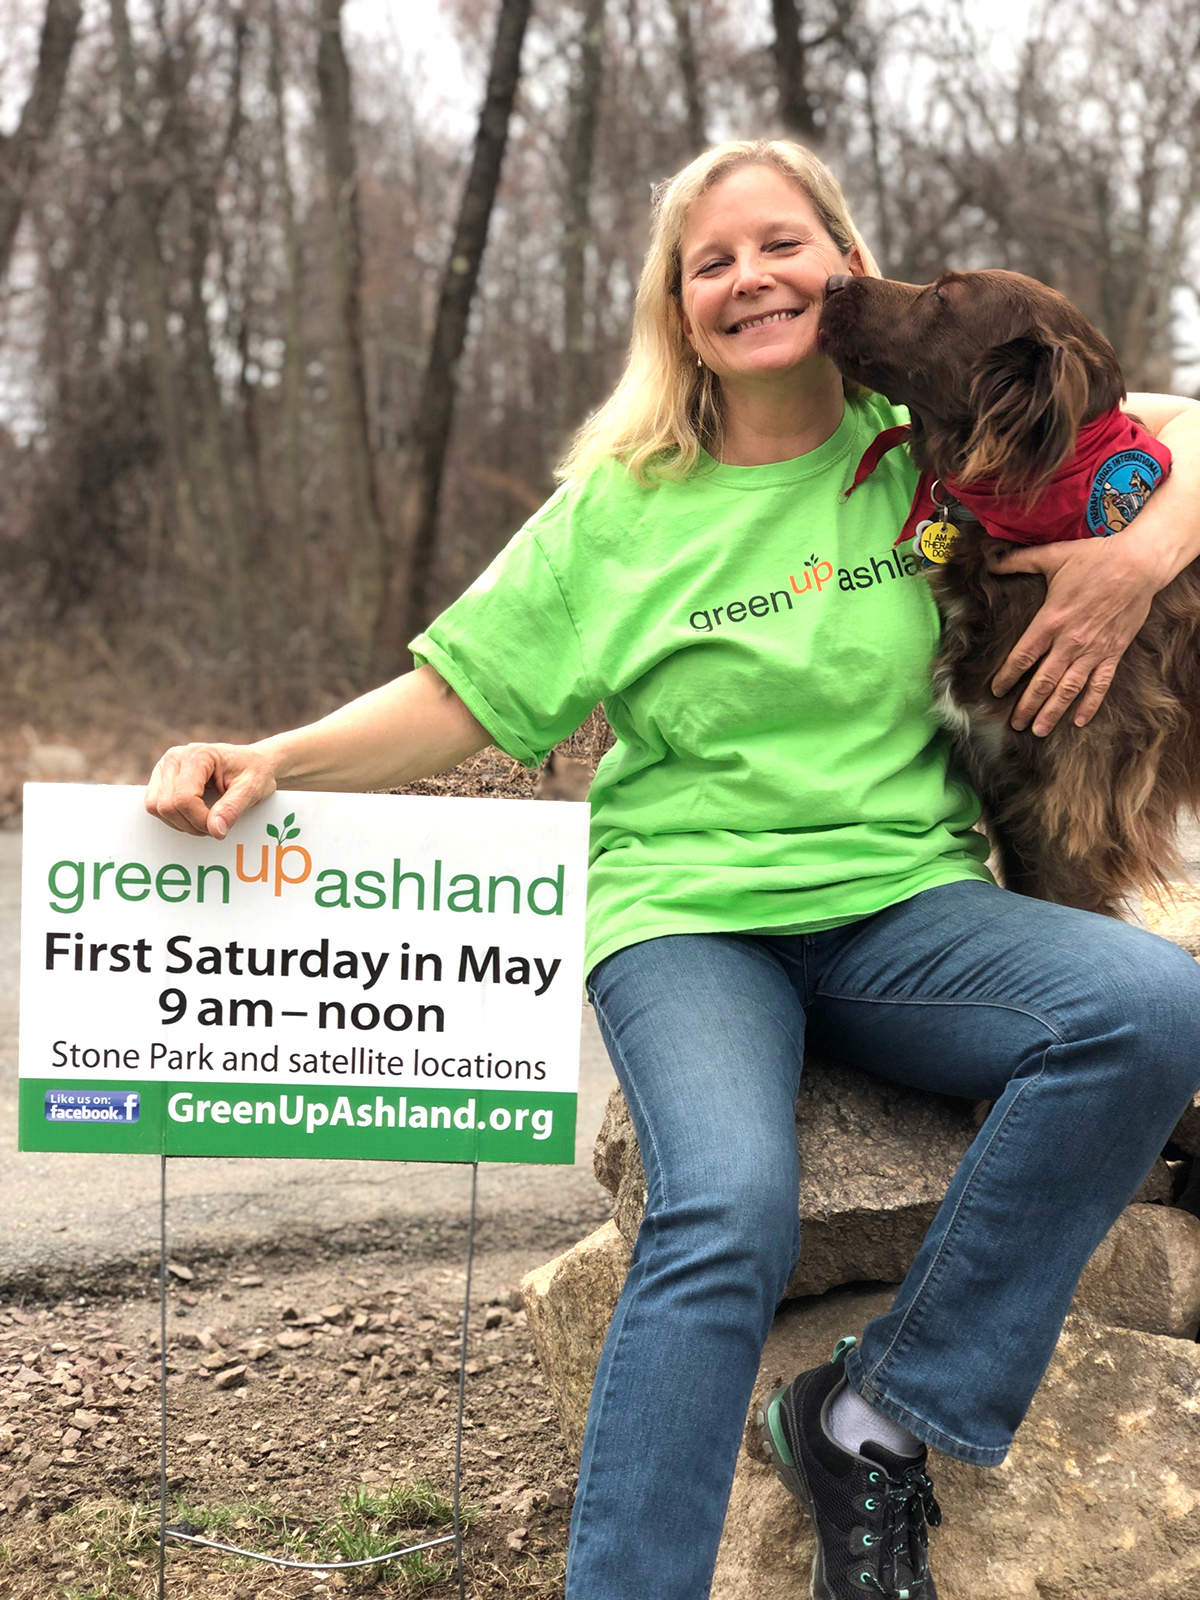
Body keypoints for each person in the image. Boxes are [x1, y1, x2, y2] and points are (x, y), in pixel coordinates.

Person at [146, 141, 1200, 1600]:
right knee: (727, 1213)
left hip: (909, 910)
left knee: (1149, 1007)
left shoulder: (941, 449)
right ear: (678, 303)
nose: (750, 278)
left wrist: (1143, 551)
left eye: (782, 244)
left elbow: (1174, 424)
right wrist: (272, 755)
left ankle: (875, 1415)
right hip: (692, 922)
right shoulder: (619, 510)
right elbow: (458, 696)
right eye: (713, 261)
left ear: (843, 266)